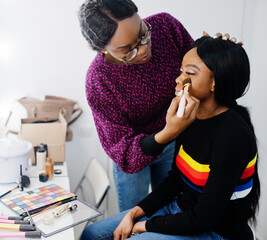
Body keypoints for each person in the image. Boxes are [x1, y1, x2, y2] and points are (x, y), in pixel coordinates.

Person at [80, 33, 261, 240]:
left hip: (215, 230)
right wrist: (135, 213)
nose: (179, 79)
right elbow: (175, 180)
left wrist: (144, 227)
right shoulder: (189, 118)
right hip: (182, 210)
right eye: (181, 70)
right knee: (92, 233)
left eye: (190, 73)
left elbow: (204, 217)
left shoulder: (232, 137)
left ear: (215, 82)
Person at [78, 0, 194, 211]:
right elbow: (122, 150)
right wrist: (165, 134)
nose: (143, 50)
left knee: (172, 211)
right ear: (102, 50)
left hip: (176, 141)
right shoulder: (99, 80)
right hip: (135, 156)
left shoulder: (165, 27)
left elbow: (197, 65)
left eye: (143, 35)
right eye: (127, 50)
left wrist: (218, 53)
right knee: (134, 219)